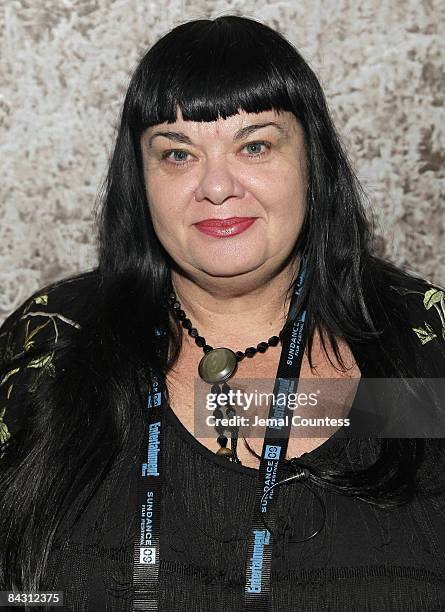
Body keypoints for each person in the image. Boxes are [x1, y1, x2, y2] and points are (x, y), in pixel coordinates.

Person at [0, 15, 444, 612]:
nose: (215, 186)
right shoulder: (50, 342)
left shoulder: (425, 347)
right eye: (177, 154)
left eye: (255, 145)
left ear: (314, 163)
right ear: (141, 178)